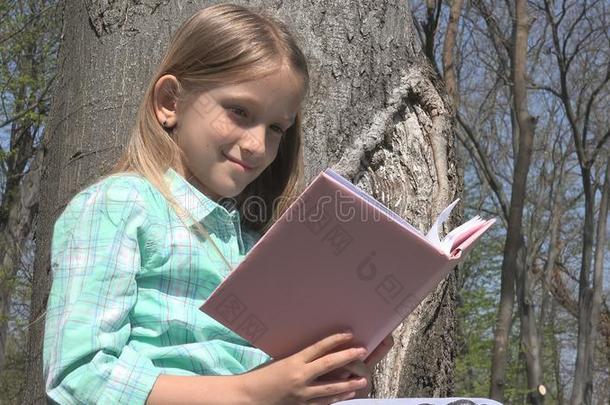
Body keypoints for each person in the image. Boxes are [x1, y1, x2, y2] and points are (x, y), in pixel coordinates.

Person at [42, 3, 394, 404]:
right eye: (239, 111)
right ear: (170, 101)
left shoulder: (258, 245)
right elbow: (79, 375)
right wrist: (250, 392)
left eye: (277, 128)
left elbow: (267, 381)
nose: (258, 146)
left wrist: (325, 370)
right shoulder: (118, 206)